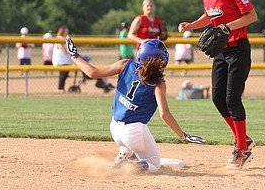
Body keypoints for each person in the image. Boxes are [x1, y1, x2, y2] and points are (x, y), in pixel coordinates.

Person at [66, 37, 205, 172]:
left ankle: (124, 154)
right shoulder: (158, 82)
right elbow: (164, 114)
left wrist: (74, 55)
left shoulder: (125, 64)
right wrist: (183, 135)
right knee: (154, 165)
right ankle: (130, 167)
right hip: (134, 131)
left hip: (115, 128)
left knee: (131, 146)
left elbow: (92, 72)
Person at [178, 0, 258, 169]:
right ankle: (244, 139)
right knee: (217, 99)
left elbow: (251, 16)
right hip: (221, 51)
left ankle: (241, 149)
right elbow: (209, 15)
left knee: (232, 99)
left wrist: (227, 27)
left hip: (239, 49)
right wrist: (191, 25)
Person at [52, 26, 73, 94]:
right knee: (63, 74)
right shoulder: (60, 38)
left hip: (65, 59)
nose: (67, 33)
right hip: (61, 59)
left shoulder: (66, 38)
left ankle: (61, 87)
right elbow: (62, 48)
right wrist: (70, 53)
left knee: (65, 73)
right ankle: (60, 88)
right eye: (66, 31)